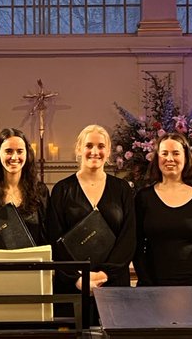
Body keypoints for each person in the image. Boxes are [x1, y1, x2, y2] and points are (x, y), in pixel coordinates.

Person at [46, 124, 136, 322]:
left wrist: (105, 274)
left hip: (113, 283)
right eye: (89, 146)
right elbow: (54, 239)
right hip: (73, 284)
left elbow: (128, 237)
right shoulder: (62, 190)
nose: (95, 151)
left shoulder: (121, 189)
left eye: (101, 146)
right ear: (79, 149)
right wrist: (78, 279)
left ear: (109, 151)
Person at [133, 132, 192, 286]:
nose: (169, 158)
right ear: (157, 158)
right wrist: (147, 283)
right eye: (164, 153)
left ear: (185, 157)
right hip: (152, 288)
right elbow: (136, 245)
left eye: (176, 153)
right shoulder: (143, 198)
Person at [0, 127, 50, 246]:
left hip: (33, 262)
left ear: (27, 154)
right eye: (8, 151)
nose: (14, 157)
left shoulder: (40, 191)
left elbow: (47, 237)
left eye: (20, 151)